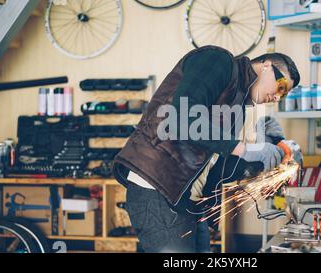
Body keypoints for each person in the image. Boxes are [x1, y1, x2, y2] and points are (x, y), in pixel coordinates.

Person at [113, 45, 301, 252]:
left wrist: (268, 158)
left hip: (187, 201)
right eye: (281, 87)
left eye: (283, 96)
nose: (276, 97)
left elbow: (218, 167)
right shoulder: (218, 60)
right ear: (267, 66)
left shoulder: (238, 107)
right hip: (158, 188)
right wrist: (245, 149)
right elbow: (181, 118)